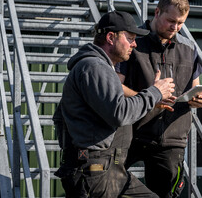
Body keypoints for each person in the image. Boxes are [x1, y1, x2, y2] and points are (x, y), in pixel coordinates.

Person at [53, 10, 176, 198]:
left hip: (109, 170)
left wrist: (152, 97)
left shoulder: (101, 67)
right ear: (111, 37)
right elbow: (119, 112)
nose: (134, 44)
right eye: (130, 38)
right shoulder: (94, 67)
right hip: (94, 172)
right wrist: (155, 92)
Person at [116, 0, 202, 198]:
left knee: (166, 194)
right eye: (171, 21)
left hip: (171, 138)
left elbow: (196, 86)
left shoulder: (190, 48)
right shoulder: (133, 42)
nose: (175, 28)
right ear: (157, 12)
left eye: (181, 23)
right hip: (131, 133)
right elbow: (116, 88)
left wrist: (198, 99)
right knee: (109, 184)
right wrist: (150, 97)